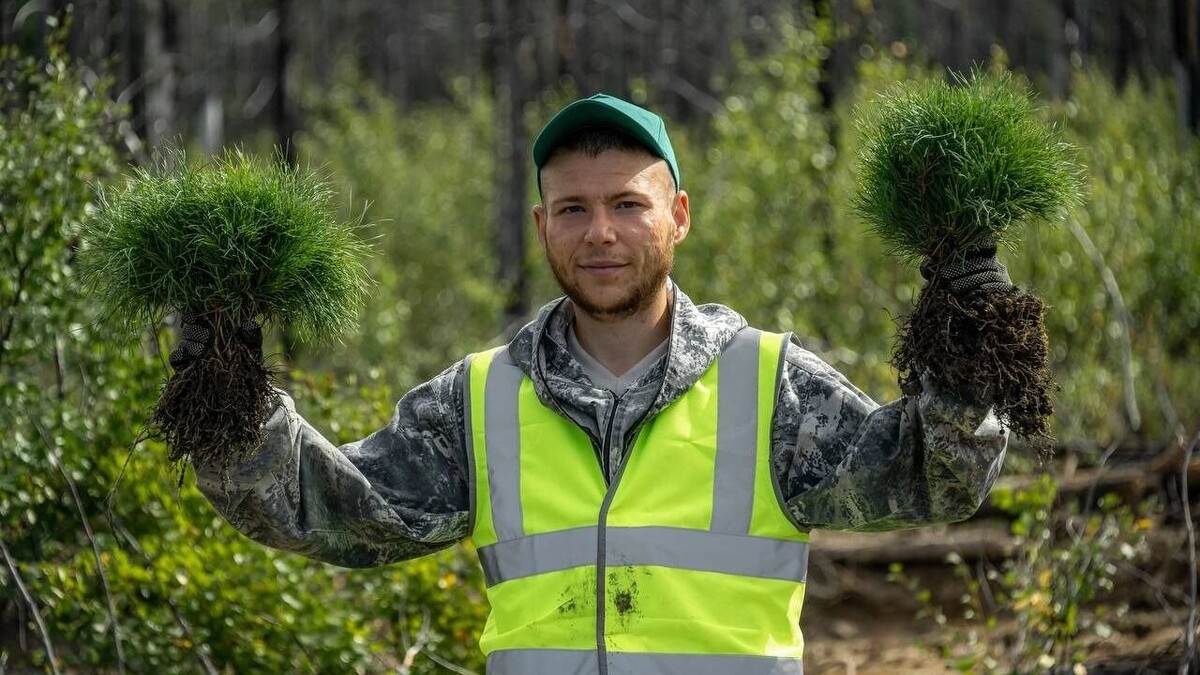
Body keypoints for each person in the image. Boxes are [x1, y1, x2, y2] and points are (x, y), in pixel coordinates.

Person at [177, 93, 1010, 674]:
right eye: (572, 209)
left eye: (628, 204)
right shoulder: (479, 401)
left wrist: (974, 346)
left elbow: (930, 479)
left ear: (678, 215)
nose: (600, 232)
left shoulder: (768, 386)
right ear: (542, 226)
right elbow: (325, 509)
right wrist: (224, 393)